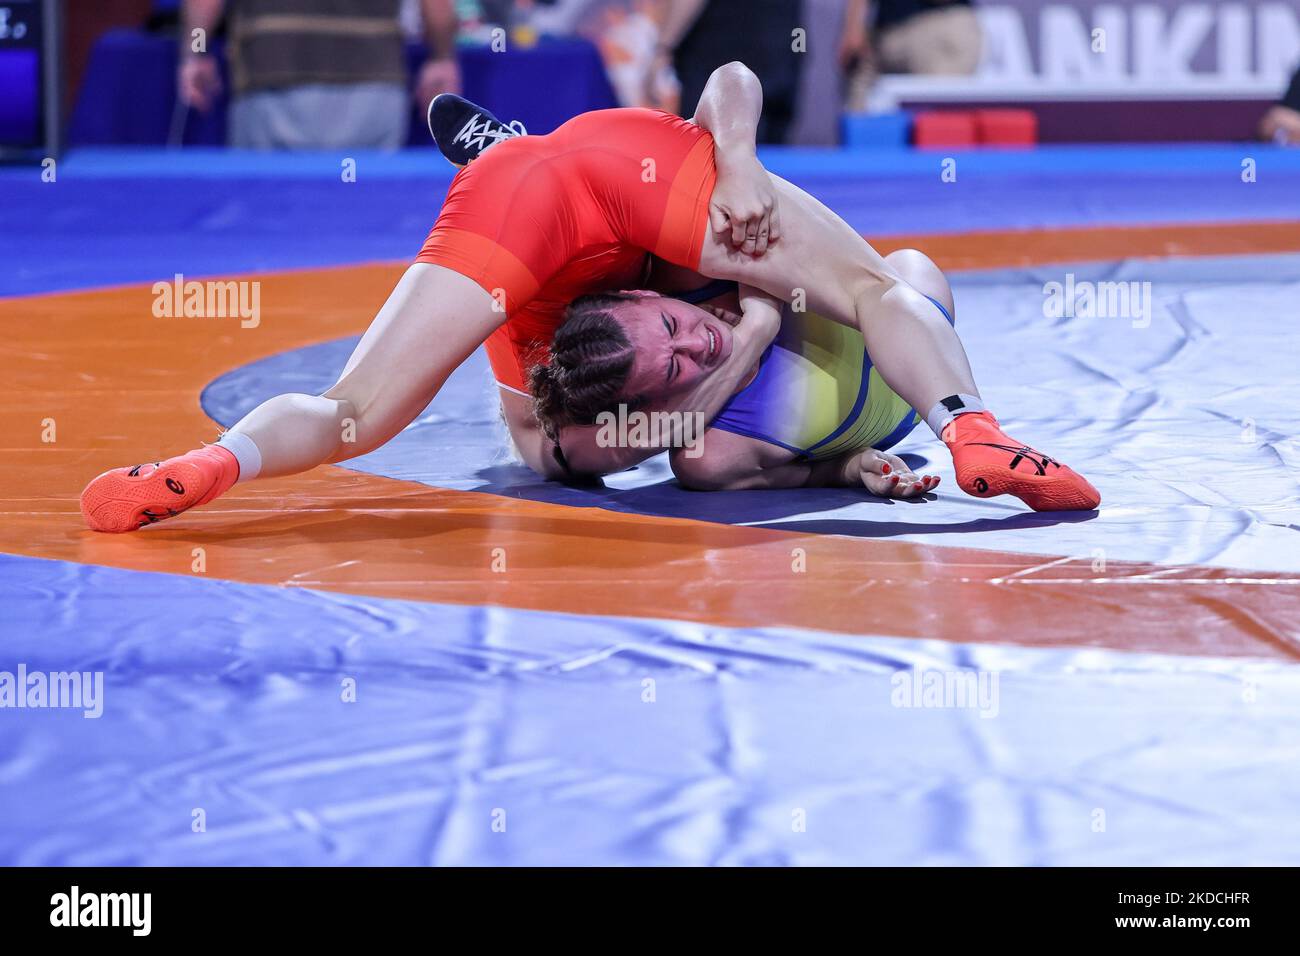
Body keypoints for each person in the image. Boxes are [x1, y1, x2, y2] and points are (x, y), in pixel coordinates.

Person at [81, 63, 1098, 534]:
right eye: (680, 340)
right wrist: (733, 165)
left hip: (544, 207)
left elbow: (734, 80)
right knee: (870, 283)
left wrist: (736, 159)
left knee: (362, 410)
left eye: (677, 338)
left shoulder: (534, 325)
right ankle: (972, 428)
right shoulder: (546, 348)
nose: (693, 342)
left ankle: (210, 462)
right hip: (623, 179)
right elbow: (734, 79)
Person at [530, 255, 955, 495]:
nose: (700, 344)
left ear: (640, 295)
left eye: (670, 325)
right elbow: (813, 474)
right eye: (675, 367)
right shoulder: (711, 457)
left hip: (915, 306)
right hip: (909, 401)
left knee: (909, 266)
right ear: (656, 402)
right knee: (563, 456)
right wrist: (850, 467)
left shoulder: (711, 271)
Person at [178, 0, 461, 149]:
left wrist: (195, 52)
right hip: (373, 86)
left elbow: (206, 2)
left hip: (272, 80)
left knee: (263, 217)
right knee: (367, 224)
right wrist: (442, 56)